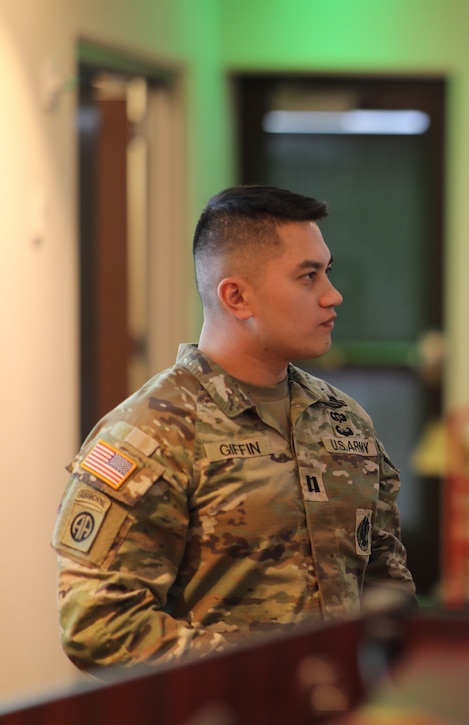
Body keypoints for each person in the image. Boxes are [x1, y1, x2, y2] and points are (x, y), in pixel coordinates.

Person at [53, 185, 415, 673]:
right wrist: (259, 675)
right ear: (237, 297)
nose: (333, 295)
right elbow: (98, 622)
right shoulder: (152, 432)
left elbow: (386, 587)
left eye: (327, 271)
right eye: (308, 277)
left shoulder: (342, 420)